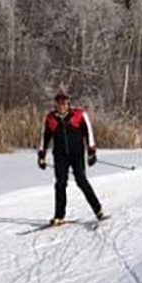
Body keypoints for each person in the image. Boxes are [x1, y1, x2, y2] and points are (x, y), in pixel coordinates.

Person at [38, 90, 106, 227]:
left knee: (81, 181)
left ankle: (98, 210)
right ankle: (59, 216)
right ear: (56, 103)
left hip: (77, 154)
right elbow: (44, 137)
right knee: (60, 184)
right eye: (59, 102)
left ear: (68, 102)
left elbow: (89, 133)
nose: (62, 105)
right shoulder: (51, 118)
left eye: (64, 102)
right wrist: (41, 156)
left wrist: (91, 152)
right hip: (60, 155)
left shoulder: (79, 115)